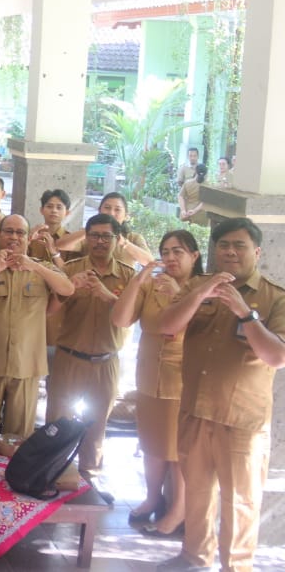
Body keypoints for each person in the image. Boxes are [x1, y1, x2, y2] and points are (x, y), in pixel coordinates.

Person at [157, 218, 285, 572]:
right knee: (197, 494)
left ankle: (236, 567)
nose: (230, 252)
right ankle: (194, 557)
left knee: (240, 503)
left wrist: (245, 313)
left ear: (256, 252)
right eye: (224, 245)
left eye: (239, 246)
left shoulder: (275, 297)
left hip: (242, 420)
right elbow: (167, 326)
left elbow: (277, 356)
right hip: (196, 411)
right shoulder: (199, 286)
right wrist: (201, 293)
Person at [111, 230, 200, 537]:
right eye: (166, 251)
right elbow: (121, 320)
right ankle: (152, 497)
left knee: (177, 449)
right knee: (151, 444)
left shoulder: (202, 288)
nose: (171, 257)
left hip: (182, 381)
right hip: (149, 376)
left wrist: (178, 292)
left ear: (195, 257)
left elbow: (195, 326)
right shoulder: (152, 283)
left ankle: (178, 510)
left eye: (179, 251)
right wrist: (139, 279)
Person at [45, 213, 134, 494]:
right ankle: (49, 472)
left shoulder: (129, 275)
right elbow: (50, 310)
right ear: (86, 237)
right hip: (69, 357)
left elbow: (133, 316)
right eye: (94, 235)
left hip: (106, 361)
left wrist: (109, 295)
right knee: (58, 420)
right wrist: (71, 289)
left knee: (97, 425)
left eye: (106, 236)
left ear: (118, 240)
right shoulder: (70, 269)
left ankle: (89, 479)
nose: (99, 241)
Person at [0, 215, 73, 438]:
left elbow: (67, 289)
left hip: (27, 365)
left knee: (18, 438)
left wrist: (34, 266)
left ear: (28, 237)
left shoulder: (42, 268)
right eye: (9, 231)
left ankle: (11, 474)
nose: (14, 237)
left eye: (20, 233)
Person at [27, 188, 71, 264]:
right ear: (41, 210)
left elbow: (70, 271)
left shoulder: (70, 239)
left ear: (67, 213)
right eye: (49, 206)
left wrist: (54, 253)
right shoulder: (33, 235)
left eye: (59, 207)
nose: (54, 210)